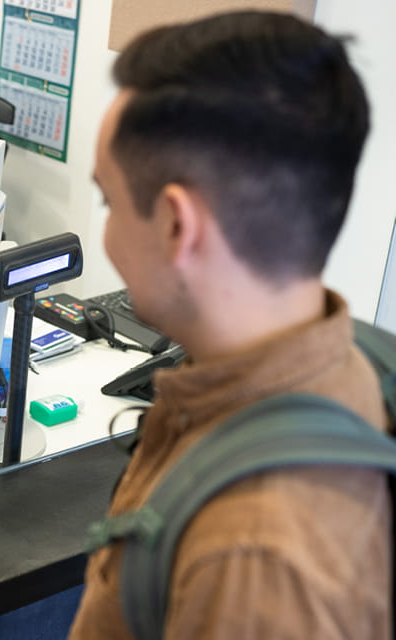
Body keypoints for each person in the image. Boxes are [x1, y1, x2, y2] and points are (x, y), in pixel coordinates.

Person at [69, 11, 387, 639]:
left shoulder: (253, 559)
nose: (105, 231)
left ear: (176, 226)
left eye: (108, 201)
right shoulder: (344, 358)